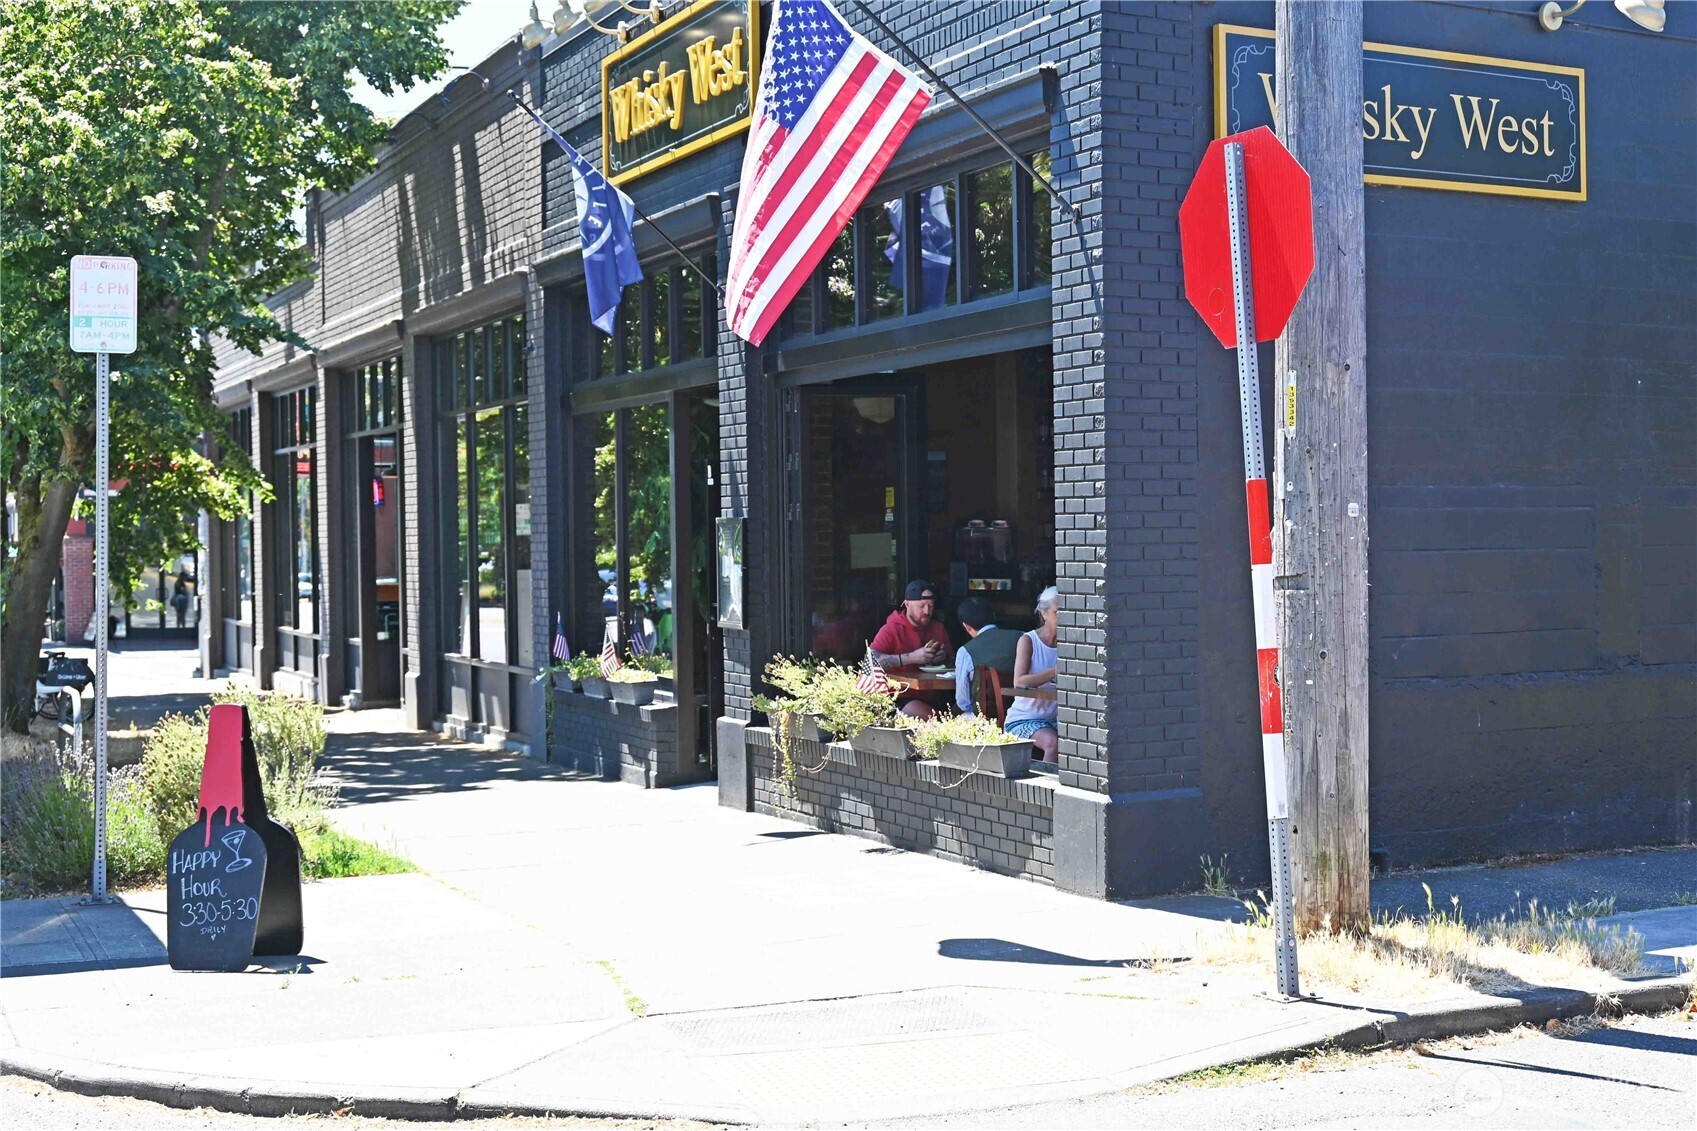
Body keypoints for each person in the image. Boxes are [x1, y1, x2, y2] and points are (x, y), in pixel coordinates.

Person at [869, 579, 953, 719]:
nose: (927, 611)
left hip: (936, 693)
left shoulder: (938, 628)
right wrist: (912, 657)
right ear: (907, 604)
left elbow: (954, 660)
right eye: (921, 606)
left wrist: (944, 657)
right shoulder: (891, 629)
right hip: (899, 696)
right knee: (933, 718)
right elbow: (871, 661)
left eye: (930, 606)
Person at [1005, 586, 1060, 763]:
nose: (1064, 617)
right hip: (1024, 719)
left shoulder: (1071, 644)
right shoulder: (1028, 640)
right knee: (1054, 743)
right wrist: (1056, 671)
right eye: (1057, 612)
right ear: (1044, 614)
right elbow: (1019, 682)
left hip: (1056, 719)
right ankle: (1047, 789)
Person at [954, 595, 1023, 716]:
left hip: (986, 719)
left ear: (966, 626)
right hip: (1022, 713)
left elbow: (963, 703)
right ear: (994, 615)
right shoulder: (1023, 637)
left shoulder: (965, 652)